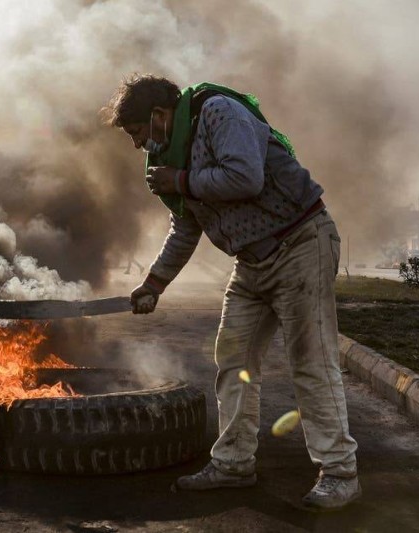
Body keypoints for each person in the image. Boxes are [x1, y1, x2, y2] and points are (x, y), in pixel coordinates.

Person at [103, 74, 360, 510]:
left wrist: (180, 180)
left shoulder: (219, 113)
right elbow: (186, 224)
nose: (136, 144)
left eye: (136, 132)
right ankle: (233, 463)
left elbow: (245, 178)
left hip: (300, 244)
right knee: (233, 360)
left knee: (311, 362)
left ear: (160, 115)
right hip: (251, 262)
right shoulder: (168, 154)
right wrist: (154, 283)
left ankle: (340, 473)